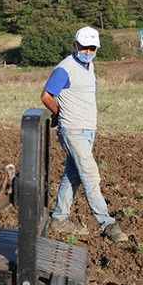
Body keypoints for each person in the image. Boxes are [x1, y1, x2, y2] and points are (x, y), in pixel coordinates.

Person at [40, 25, 128, 243]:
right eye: (84, 47)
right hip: (73, 130)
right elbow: (46, 96)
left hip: (88, 130)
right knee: (90, 175)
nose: (88, 51)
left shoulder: (90, 66)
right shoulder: (65, 69)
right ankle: (107, 224)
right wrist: (60, 113)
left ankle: (59, 218)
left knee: (73, 175)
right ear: (75, 45)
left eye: (92, 48)